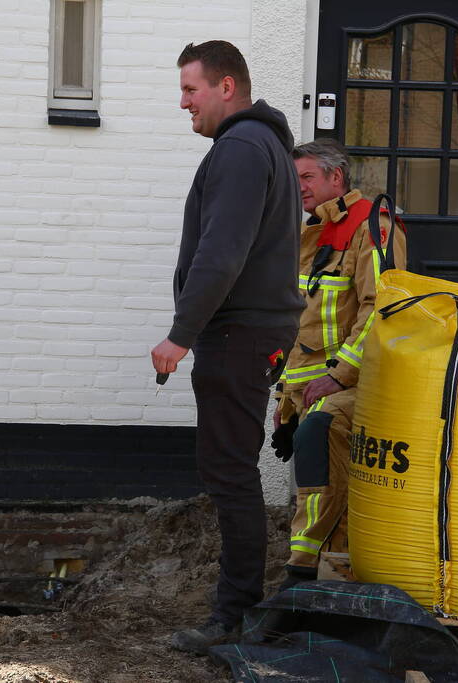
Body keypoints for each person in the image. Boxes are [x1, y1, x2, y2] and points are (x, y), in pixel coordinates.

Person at [151, 40, 304, 655]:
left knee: (230, 475)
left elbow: (222, 253)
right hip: (249, 332)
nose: (182, 102)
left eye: (191, 90)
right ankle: (238, 607)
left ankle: (235, 615)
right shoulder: (259, 145)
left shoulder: (241, 148)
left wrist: (180, 334)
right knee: (231, 470)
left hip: (239, 334)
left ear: (227, 88)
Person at [272, 138, 407, 590]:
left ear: (337, 177)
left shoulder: (374, 227)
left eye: (308, 177)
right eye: (296, 180)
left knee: (323, 464)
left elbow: (380, 311)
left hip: (354, 388)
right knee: (316, 484)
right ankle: (316, 577)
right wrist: (284, 403)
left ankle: (303, 578)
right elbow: (304, 322)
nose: (300, 188)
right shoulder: (312, 232)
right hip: (312, 388)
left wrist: (337, 376)